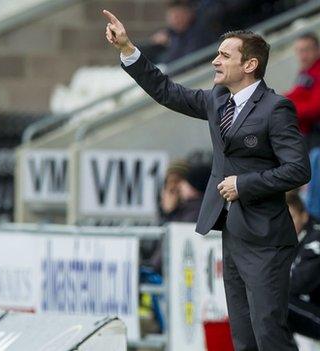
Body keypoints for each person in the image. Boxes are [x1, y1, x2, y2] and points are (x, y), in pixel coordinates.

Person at [103, 10, 311, 351]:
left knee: (269, 336)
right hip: (233, 233)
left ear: (250, 65)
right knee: (243, 339)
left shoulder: (276, 108)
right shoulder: (217, 100)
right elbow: (167, 91)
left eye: (224, 55)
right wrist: (128, 49)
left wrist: (243, 185)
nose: (215, 60)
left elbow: (299, 170)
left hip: (267, 240)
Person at [286, 192, 320, 340]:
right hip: (310, 308)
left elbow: (300, 283)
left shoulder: (316, 237)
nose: (286, 225)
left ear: (304, 216)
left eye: (291, 218)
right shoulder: (291, 241)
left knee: (275, 302)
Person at [285, 32, 320, 149]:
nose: (303, 56)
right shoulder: (305, 72)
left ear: (317, 50)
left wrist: (288, 108)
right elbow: (294, 95)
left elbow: (316, 108)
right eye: (299, 51)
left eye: (306, 50)